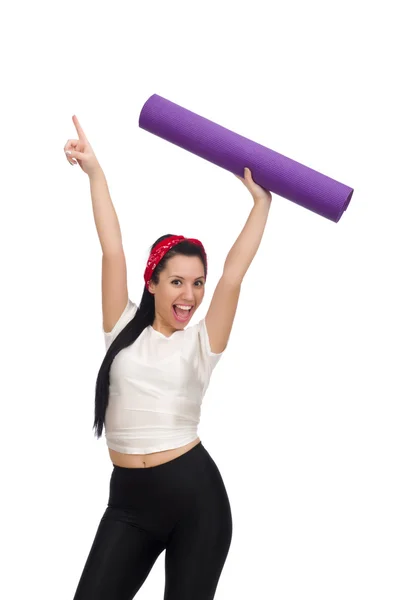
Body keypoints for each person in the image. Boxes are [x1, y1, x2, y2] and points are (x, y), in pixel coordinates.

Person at [64, 115, 272, 600]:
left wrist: (260, 203)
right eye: (177, 281)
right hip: (128, 505)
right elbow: (110, 245)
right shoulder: (121, 325)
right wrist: (96, 173)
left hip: (195, 500)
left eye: (197, 283)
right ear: (152, 282)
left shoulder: (201, 342)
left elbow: (234, 276)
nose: (190, 295)